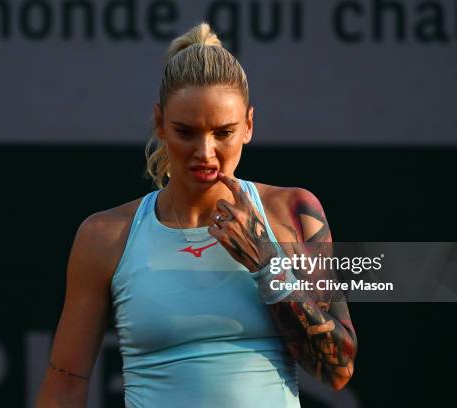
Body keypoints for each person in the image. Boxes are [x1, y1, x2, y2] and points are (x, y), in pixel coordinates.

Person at [36, 22, 357, 408]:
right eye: (186, 132)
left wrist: (267, 263)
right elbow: (66, 382)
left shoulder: (292, 212)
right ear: (160, 124)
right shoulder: (104, 236)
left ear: (249, 126)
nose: (205, 152)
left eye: (223, 132)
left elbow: (337, 370)